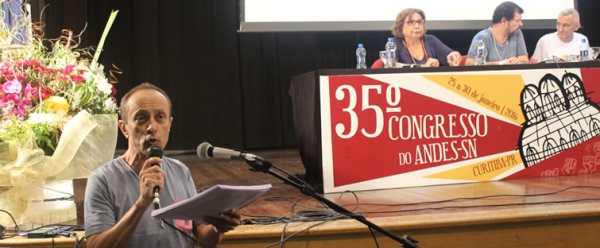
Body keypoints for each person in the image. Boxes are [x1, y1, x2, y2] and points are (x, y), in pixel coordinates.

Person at [84, 83, 241, 247]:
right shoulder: (102, 180)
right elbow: (96, 245)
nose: (152, 127)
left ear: (169, 124)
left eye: (160, 117)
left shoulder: (181, 171)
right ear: (124, 128)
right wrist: (142, 203)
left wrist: (218, 228)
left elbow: (201, 236)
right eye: (141, 118)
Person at [391, 8, 462, 67]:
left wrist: (453, 55)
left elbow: (448, 54)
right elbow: (391, 65)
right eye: (411, 22)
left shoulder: (430, 40)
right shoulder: (395, 43)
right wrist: (423, 66)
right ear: (400, 26)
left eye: (419, 22)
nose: (417, 26)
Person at [465, 1, 529, 65]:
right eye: (517, 21)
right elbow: (470, 64)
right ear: (504, 20)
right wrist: (501, 63)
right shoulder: (482, 38)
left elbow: (525, 61)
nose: (521, 24)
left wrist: (518, 62)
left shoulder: (517, 33)